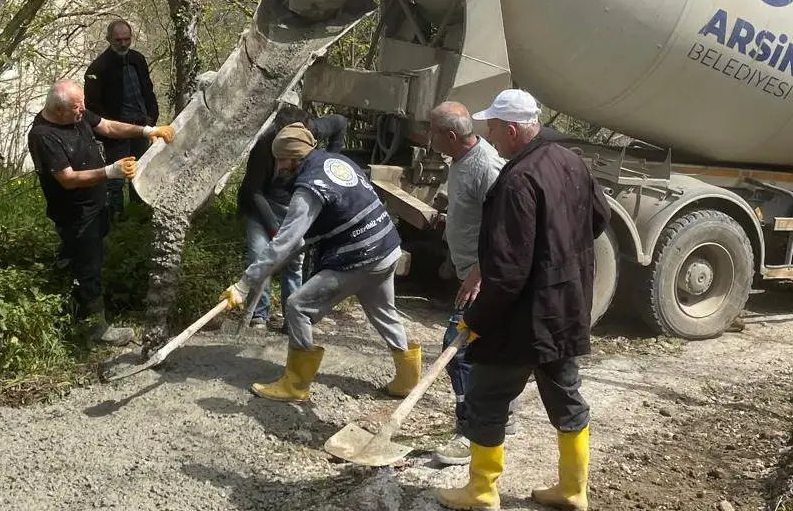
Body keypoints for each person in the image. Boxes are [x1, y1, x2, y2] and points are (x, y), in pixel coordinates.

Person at [434, 89, 610, 511]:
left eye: (493, 128)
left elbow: (507, 271)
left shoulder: (516, 181)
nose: (490, 136)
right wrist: (561, 253)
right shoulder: (573, 163)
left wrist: (475, 319)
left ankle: (481, 492)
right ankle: (574, 489)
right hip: (564, 309)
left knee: (487, 398)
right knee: (567, 396)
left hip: (522, 320)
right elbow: (599, 219)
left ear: (512, 130)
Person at [220, 123, 421, 401]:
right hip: (387, 248)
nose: (279, 167)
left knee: (298, 306)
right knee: (383, 312)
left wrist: (243, 285)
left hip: (360, 256)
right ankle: (408, 380)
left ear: (293, 157)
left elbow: (284, 241)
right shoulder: (335, 161)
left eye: (280, 160)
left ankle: (296, 384)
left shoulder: (308, 188)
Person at [27, 79, 174, 346]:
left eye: (82, 105)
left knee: (82, 261)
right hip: (75, 215)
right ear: (59, 111)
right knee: (87, 267)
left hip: (96, 207)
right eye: (76, 108)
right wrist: (110, 171)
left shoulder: (77, 113)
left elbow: (106, 126)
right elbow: (67, 178)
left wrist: (146, 130)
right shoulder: (43, 136)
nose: (82, 111)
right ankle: (96, 330)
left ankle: (69, 311)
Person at [426, 102, 518, 467]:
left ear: (450, 136)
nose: (429, 138)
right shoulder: (460, 160)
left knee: (458, 347)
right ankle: (500, 416)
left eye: (433, 132)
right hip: (471, 272)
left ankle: (471, 429)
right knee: (488, 348)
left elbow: (507, 226)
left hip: (487, 275)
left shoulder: (488, 167)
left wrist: (480, 270)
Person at [237, 105, 350, 328]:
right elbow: (253, 191)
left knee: (294, 263)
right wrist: (275, 231)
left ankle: (292, 317)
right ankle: (258, 316)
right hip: (261, 205)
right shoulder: (264, 145)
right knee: (261, 257)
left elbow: (340, 121)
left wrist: (331, 161)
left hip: (293, 205)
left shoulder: (310, 132)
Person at [84, 19, 160, 221]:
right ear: (109, 39)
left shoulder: (138, 59)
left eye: (127, 39)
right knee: (116, 177)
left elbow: (148, 90)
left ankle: (139, 215)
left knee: (141, 171)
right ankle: (116, 220)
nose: (123, 44)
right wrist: (108, 128)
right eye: (118, 40)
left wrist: (151, 117)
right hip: (115, 131)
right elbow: (92, 107)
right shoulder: (98, 68)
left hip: (141, 126)